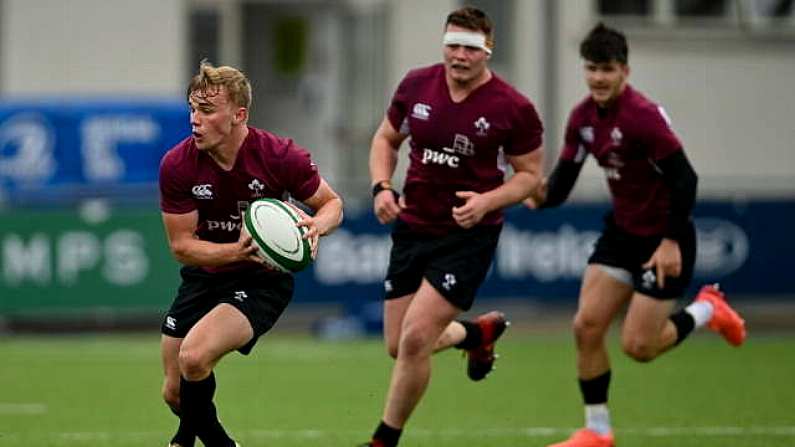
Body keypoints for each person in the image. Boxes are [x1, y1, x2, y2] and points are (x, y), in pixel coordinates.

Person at [525, 24, 747, 447]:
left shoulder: (642, 117)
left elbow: (686, 180)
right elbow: (564, 182)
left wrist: (669, 242)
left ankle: (707, 309)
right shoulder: (582, 118)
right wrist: (539, 196)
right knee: (586, 326)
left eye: (607, 69)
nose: (598, 78)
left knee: (639, 347)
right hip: (621, 235)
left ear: (624, 70)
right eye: (591, 69)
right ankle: (598, 432)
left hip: (665, 237)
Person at [361, 7, 544, 447]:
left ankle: (383, 440)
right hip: (413, 225)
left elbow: (530, 177)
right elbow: (386, 138)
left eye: (469, 48)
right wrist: (382, 187)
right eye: (453, 46)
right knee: (397, 344)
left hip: (468, 236)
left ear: (487, 51)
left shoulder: (513, 108)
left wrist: (487, 202)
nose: (459, 56)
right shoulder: (416, 85)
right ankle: (477, 333)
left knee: (415, 339)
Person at [158, 61, 343, 447]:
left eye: (207, 111)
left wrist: (317, 226)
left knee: (193, 357)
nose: (195, 120)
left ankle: (184, 442)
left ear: (238, 115)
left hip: (261, 282)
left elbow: (331, 204)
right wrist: (235, 250)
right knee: (174, 393)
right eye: (192, 108)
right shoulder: (177, 164)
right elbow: (181, 246)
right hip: (204, 276)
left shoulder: (279, 156)